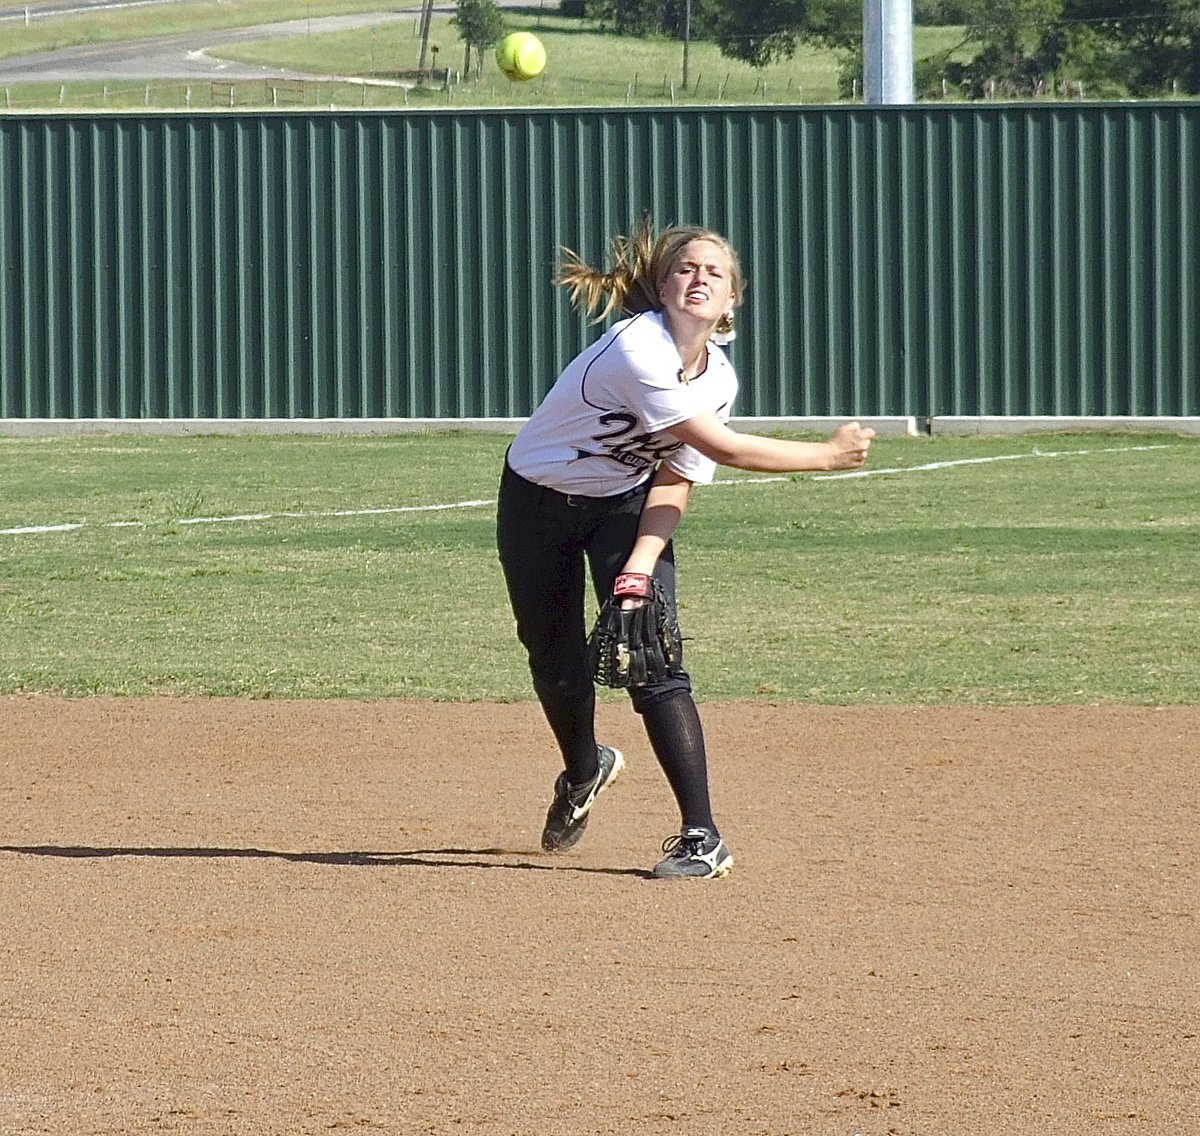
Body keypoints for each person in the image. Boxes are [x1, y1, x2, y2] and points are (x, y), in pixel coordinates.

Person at [495, 219, 875, 879]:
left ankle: (703, 835)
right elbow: (725, 449)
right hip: (535, 500)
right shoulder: (635, 347)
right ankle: (584, 769)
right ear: (664, 287)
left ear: (732, 301)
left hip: (624, 504)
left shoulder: (718, 380)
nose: (699, 279)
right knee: (554, 658)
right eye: (686, 269)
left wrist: (640, 565)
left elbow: (676, 475)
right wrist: (828, 456)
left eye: (715, 273)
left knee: (654, 655)